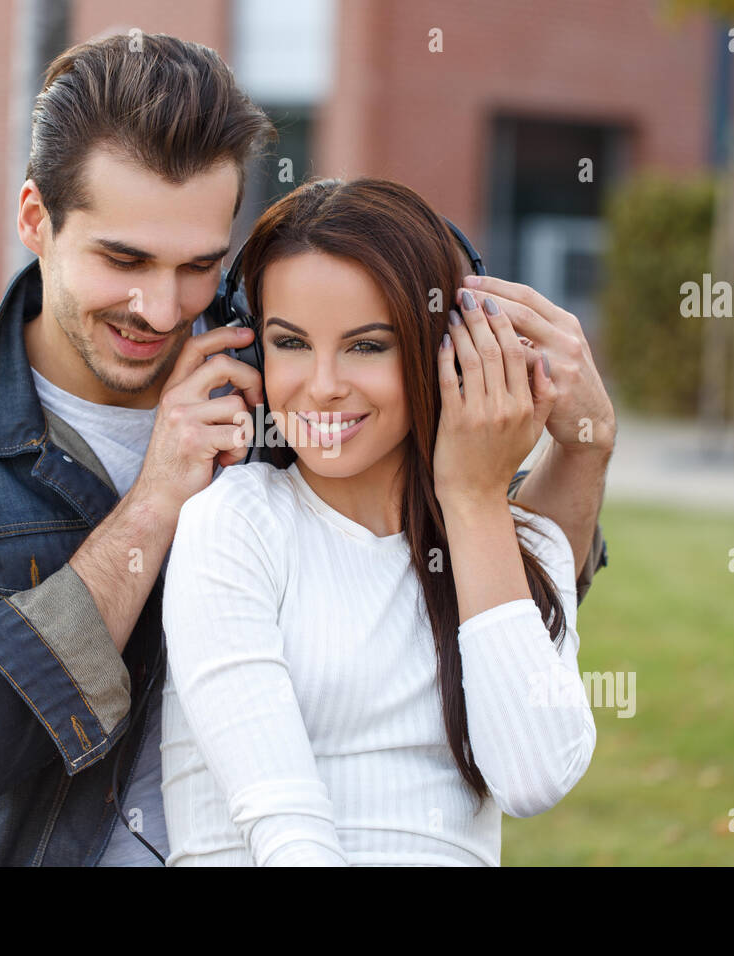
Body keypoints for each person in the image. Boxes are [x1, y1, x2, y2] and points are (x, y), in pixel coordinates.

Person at [0, 32, 612, 867]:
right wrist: (157, 499)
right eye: (123, 259)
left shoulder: (289, 377)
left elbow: (485, 612)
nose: (162, 309)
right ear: (36, 220)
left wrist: (585, 447)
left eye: (198, 264)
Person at [160, 178, 613, 865]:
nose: (322, 384)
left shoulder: (517, 537)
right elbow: (286, 832)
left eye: (367, 346)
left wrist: (473, 498)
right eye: (290, 343)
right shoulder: (234, 526)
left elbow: (533, 775)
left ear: (448, 351)